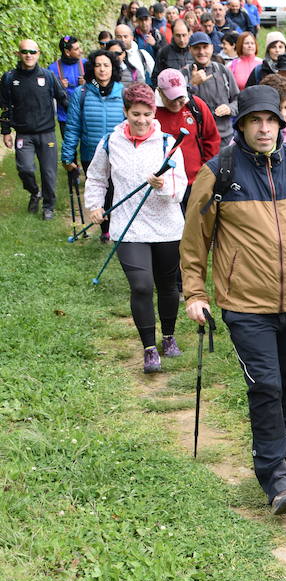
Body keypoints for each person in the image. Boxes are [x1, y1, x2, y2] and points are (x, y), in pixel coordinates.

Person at [180, 85, 286, 515]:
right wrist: (195, 292)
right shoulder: (220, 172)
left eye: (271, 120)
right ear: (243, 125)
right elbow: (194, 240)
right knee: (266, 385)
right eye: (256, 121)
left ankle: (282, 441)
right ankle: (274, 478)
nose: (265, 128)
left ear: (281, 124)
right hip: (245, 303)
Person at [84, 83, 188, 373]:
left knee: (168, 286)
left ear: (154, 113)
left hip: (167, 227)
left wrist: (163, 185)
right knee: (141, 286)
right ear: (126, 112)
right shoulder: (109, 142)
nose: (141, 120)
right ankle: (149, 348)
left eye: (147, 114)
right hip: (128, 228)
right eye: (135, 114)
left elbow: (181, 187)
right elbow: (96, 178)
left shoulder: (169, 143)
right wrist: (94, 205)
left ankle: (168, 337)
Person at [61, 49, 126, 243]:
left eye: (106, 65)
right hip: (91, 153)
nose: (102, 69)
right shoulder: (81, 93)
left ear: (113, 68)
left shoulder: (123, 92)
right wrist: (67, 155)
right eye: (98, 65)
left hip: (119, 153)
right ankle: (106, 230)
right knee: (101, 192)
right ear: (92, 69)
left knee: (116, 191)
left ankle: (117, 226)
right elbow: (72, 126)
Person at [0, 39, 68, 220]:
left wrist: (75, 120)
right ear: (18, 54)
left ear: (38, 54)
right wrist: (6, 131)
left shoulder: (48, 76)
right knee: (25, 169)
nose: (28, 55)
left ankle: (48, 207)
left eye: (32, 52)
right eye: (24, 52)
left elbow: (63, 99)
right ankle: (34, 192)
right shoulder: (9, 78)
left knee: (49, 173)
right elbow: (5, 107)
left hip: (47, 133)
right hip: (24, 134)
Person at [154, 68, 220, 208]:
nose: (178, 104)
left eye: (181, 98)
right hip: (162, 183)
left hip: (194, 181)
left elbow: (212, 139)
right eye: (172, 99)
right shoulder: (151, 111)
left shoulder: (195, 105)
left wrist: (204, 171)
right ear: (160, 92)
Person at [181, 32, 238, 148]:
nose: (201, 52)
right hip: (197, 139)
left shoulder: (223, 71)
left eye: (205, 47)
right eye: (197, 48)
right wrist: (192, 84)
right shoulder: (183, 74)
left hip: (225, 137)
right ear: (190, 49)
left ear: (212, 48)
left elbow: (238, 99)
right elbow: (177, 104)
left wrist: (229, 108)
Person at [48, 36, 87, 139]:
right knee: (69, 150)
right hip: (65, 117)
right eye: (76, 49)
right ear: (67, 52)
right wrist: (58, 86)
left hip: (86, 115)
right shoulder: (53, 69)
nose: (81, 51)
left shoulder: (86, 64)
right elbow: (48, 93)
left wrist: (87, 82)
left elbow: (97, 85)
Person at [152, 19, 193, 84]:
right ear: (173, 34)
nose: (181, 39)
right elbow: (156, 78)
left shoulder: (195, 51)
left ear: (189, 33)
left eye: (184, 35)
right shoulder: (164, 52)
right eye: (178, 35)